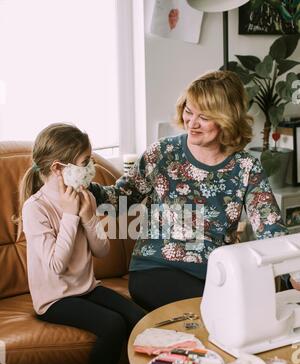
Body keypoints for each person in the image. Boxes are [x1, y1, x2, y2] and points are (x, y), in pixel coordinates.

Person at [90, 70, 298, 311]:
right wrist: (84, 187)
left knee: (255, 311)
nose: (192, 123)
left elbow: (270, 227)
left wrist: (291, 272)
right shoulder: (163, 153)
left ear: (226, 119)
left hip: (218, 273)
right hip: (156, 269)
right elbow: (119, 199)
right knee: (227, 310)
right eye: (189, 111)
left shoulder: (246, 166)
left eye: (205, 116)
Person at [17, 123, 153, 364]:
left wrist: (89, 216)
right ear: (58, 168)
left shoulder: (83, 197)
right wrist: (69, 216)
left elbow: (102, 251)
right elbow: (55, 265)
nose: (90, 168)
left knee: (141, 320)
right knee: (112, 325)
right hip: (54, 298)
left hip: (87, 288)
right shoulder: (35, 208)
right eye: (85, 161)